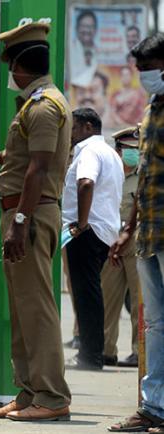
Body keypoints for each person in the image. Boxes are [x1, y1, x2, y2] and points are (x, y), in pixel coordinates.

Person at [0, 21, 72, 421]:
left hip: (31, 212)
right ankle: (29, 392)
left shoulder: (45, 106)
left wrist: (20, 221)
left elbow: (40, 170)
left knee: (37, 307)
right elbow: (27, 158)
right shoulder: (34, 105)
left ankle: (51, 396)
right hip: (22, 211)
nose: (9, 72)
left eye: (11, 63)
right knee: (23, 307)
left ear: (22, 67)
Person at [109, 33, 164, 433]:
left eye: (149, 69)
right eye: (140, 70)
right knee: (155, 324)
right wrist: (128, 229)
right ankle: (154, 407)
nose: (144, 76)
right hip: (149, 232)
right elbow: (144, 177)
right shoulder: (151, 111)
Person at [63, 108, 124, 371]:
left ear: (88, 127)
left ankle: (90, 356)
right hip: (103, 230)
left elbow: (85, 183)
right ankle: (92, 352)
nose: (71, 133)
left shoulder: (88, 151)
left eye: (74, 127)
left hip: (88, 230)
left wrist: (82, 222)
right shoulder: (110, 152)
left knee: (86, 294)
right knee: (90, 292)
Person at [101, 126, 141, 368]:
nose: (132, 155)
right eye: (128, 150)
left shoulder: (144, 175)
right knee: (108, 298)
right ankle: (105, 350)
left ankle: (139, 352)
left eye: (136, 150)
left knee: (139, 300)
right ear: (118, 150)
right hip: (110, 240)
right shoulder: (108, 173)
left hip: (136, 240)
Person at [70, 9, 99, 87]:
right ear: (77, 28)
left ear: (95, 30)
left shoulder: (100, 52)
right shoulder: (69, 50)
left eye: (90, 26)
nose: (87, 30)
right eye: (83, 26)